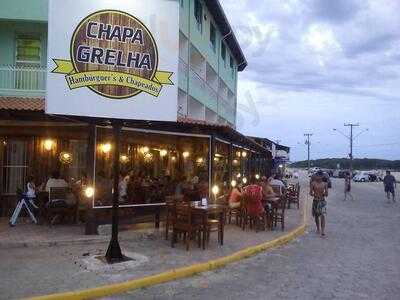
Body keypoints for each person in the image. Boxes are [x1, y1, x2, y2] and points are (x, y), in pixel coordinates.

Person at [310, 172, 328, 237]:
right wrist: (315, 194)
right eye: (316, 176)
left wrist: (324, 194)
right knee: (316, 216)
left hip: (322, 201)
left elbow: (327, 194)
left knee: (322, 215)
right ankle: (318, 228)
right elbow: (310, 193)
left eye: (319, 176)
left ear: (321, 176)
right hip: (315, 200)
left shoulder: (325, 184)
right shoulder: (313, 183)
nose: (317, 177)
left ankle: (323, 230)